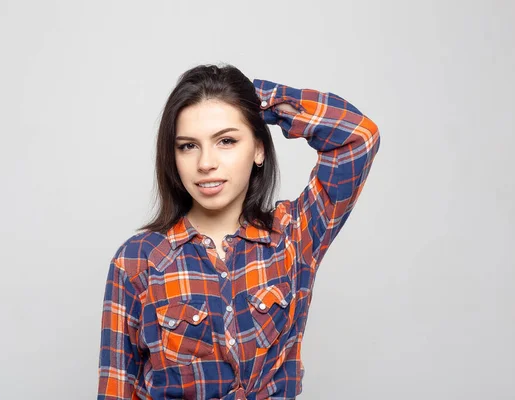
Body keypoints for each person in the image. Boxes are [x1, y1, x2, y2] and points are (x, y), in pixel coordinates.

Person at [97, 63, 380, 399]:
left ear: (259, 148)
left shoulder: (293, 237)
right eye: (188, 146)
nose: (205, 163)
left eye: (226, 141)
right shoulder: (137, 260)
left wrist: (259, 99)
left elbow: (359, 138)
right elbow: (116, 388)